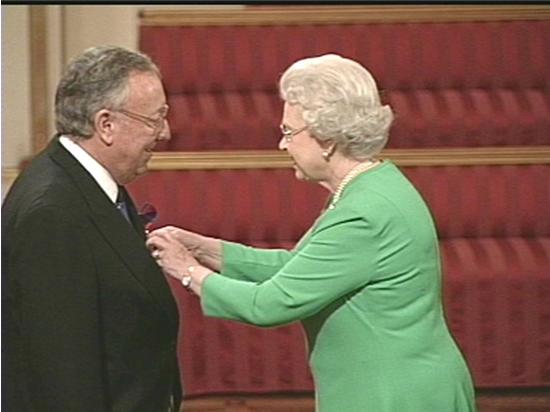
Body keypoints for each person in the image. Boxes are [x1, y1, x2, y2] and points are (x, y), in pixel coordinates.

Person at [146, 54, 476, 411]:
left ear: (327, 138)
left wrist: (187, 270)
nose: (282, 145)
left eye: (289, 132)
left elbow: (270, 304)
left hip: (392, 394)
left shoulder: (363, 214)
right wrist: (208, 250)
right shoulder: (371, 186)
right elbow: (301, 267)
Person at [2, 46, 181, 412]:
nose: (165, 132)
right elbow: (63, 372)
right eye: (154, 119)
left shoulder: (87, 183)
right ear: (106, 125)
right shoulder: (51, 212)